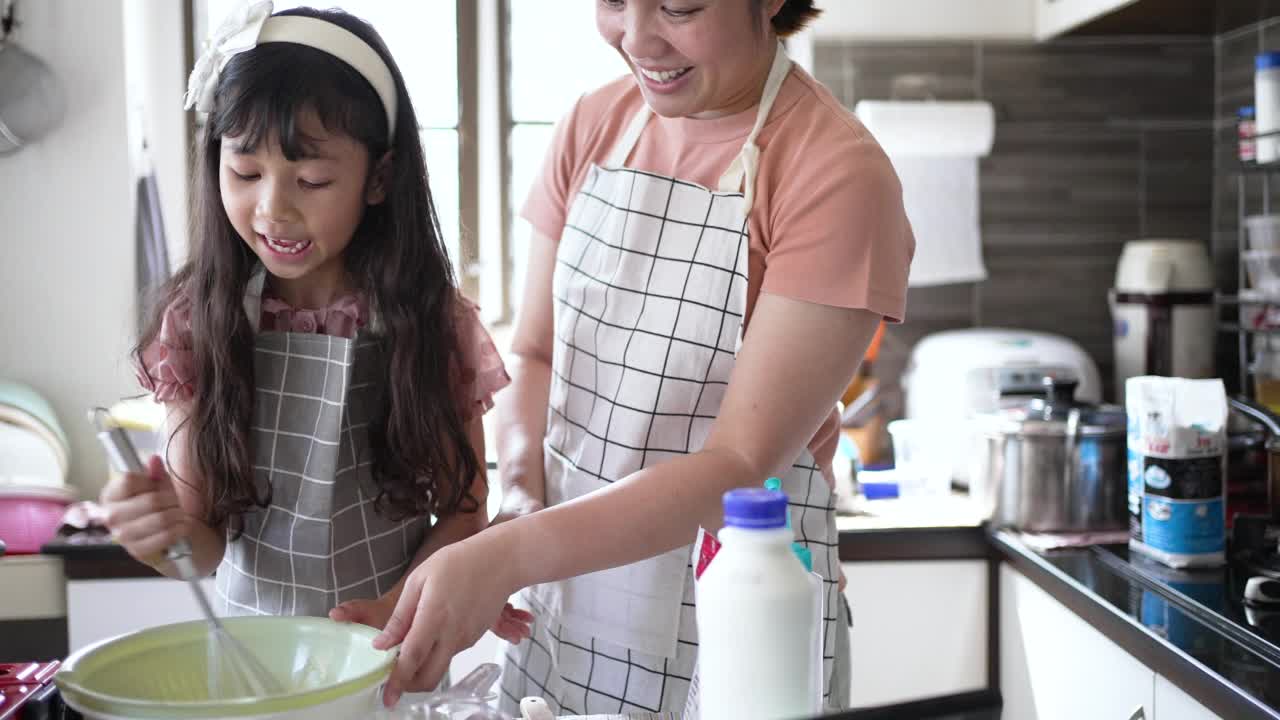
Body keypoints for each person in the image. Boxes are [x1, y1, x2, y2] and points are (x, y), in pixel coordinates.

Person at [373, 0, 915, 712]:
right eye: (613, 1)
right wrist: (520, 497)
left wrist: (509, 552)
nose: (635, 38)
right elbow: (534, 354)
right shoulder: (592, 125)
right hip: (563, 618)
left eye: (678, 6)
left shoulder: (837, 174)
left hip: (744, 628)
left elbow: (736, 468)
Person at [99, 1, 530, 653]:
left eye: (312, 179)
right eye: (244, 173)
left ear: (379, 178)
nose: (273, 208)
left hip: (390, 651)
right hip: (255, 664)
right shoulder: (197, 324)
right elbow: (204, 543)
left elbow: (465, 512)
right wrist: (160, 536)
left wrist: (396, 606)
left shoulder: (430, 323)